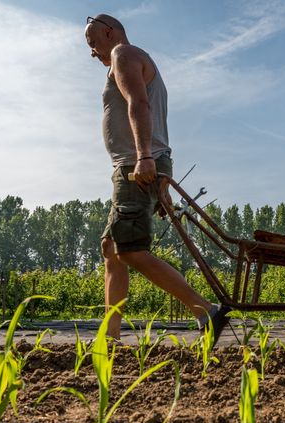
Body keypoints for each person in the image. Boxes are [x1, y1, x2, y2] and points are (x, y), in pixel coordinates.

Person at [84, 14, 230, 340]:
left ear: (109, 32)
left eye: (93, 42)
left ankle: (206, 313)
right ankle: (109, 337)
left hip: (137, 166)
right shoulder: (130, 58)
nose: (92, 51)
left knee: (130, 250)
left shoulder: (124, 55)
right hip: (141, 165)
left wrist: (145, 158)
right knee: (111, 247)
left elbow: (139, 104)